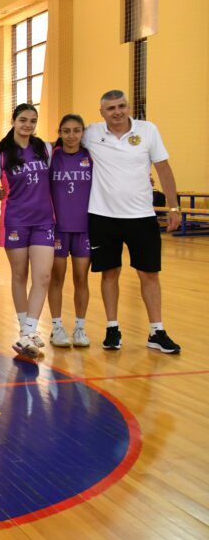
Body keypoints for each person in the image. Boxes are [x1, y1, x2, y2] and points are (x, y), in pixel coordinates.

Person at [82, 90, 181, 353]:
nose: (117, 112)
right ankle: (112, 328)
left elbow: (164, 169)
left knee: (149, 274)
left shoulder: (148, 131)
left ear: (129, 107)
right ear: (101, 112)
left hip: (142, 217)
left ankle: (156, 331)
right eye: (111, 108)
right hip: (102, 216)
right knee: (109, 273)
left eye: (122, 106)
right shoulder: (91, 133)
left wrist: (173, 206)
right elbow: (61, 143)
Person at [0, 103, 54, 359]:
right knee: (19, 275)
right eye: (23, 119)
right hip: (15, 221)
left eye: (32, 121)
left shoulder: (45, 149)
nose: (28, 124)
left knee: (43, 276)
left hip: (44, 221)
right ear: (13, 120)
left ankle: (28, 331)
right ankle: (26, 332)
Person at [47, 114, 93, 349]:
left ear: (83, 132)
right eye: (66, 131)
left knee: (81, 279)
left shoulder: (91, 156)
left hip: (84, 228)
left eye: (76, 130)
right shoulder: (51, 156)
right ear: (60, 132)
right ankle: (56, 327)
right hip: (58, 229)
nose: (72, 135)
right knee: (56, 278)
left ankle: (80, 328)